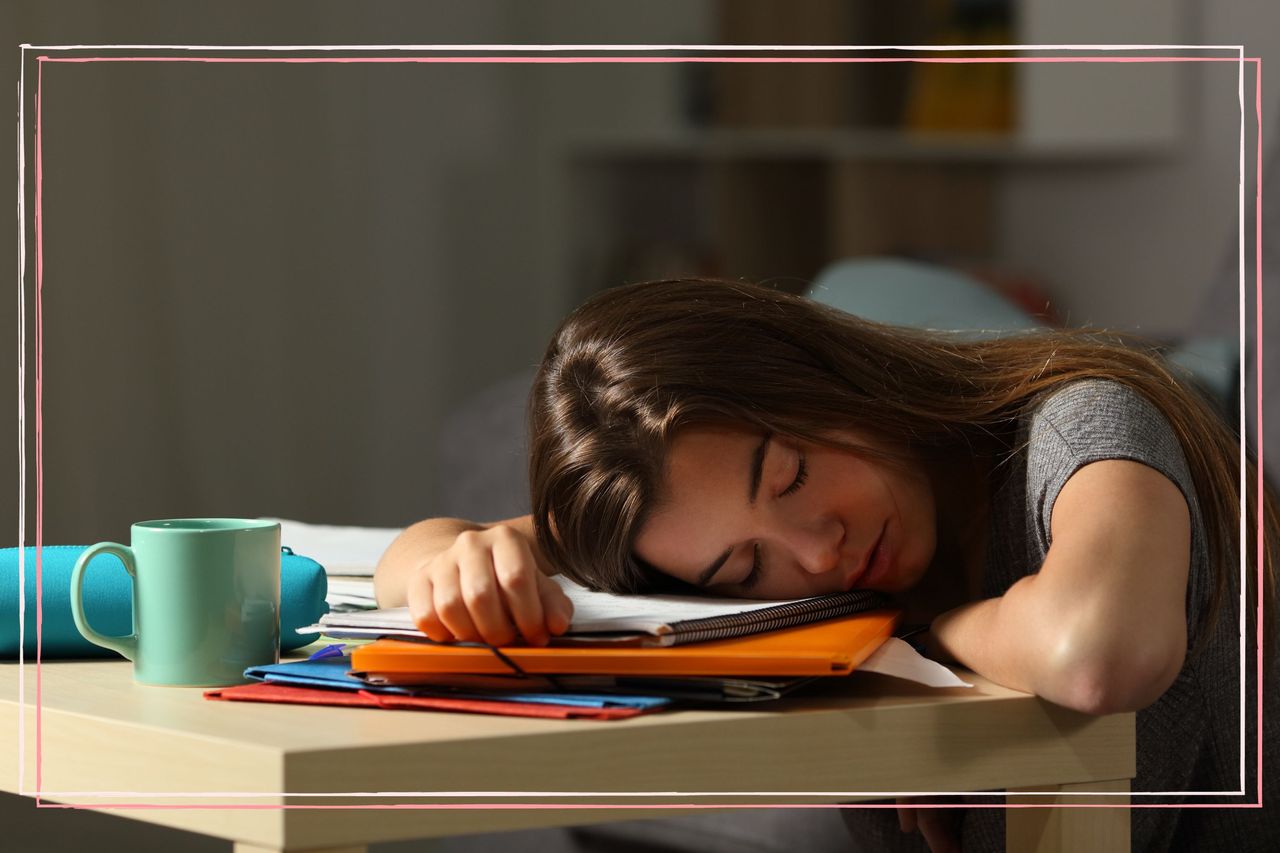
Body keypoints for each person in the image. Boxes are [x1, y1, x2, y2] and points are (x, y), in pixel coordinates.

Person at [374, 277, 1276, 852]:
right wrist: (454, 559)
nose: (816, 552)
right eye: (740, 570)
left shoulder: (1084, 425)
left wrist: (924, 641)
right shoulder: (816, 590)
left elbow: (1098, 652)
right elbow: (405, 564)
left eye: (794, 473)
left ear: (823, 374)